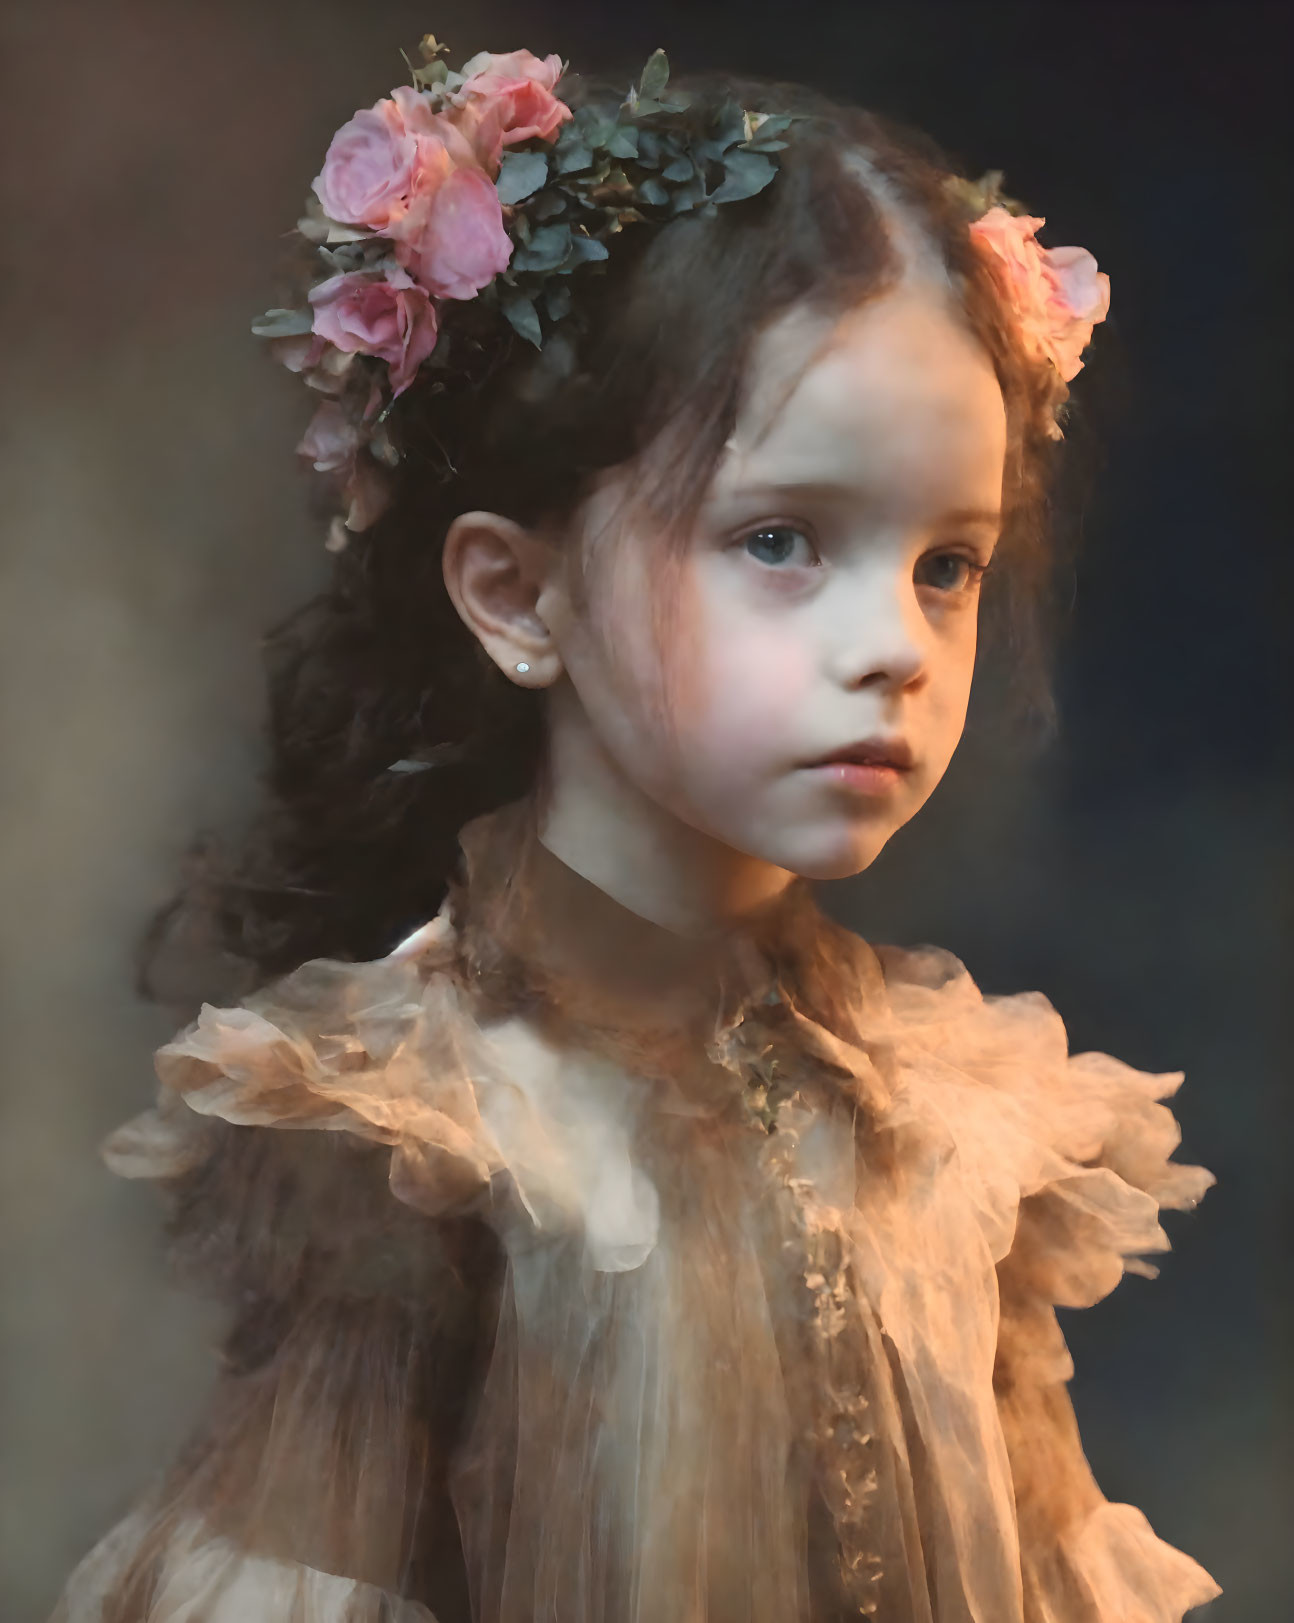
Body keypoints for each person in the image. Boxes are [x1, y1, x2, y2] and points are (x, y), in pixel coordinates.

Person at [49, 32, 1222, 1623]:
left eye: (946, 563)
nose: (893, 643)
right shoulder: (432, 1128)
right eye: (782, 541)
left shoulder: (954, 1121)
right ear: (514, 593)